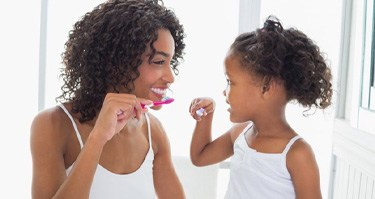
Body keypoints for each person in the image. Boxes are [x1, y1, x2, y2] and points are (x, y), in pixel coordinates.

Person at [30, 0, 186, 198]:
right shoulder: (53, 125)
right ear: (118, 62)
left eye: (170, 62)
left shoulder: (153, 131)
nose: (171, 77)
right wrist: (98, 137)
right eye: (158, 62)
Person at [189, 16, 332, 199]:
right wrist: (205, 117)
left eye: (230, 82)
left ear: (266, 88)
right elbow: (200, 157)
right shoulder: (240, 133)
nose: (224, 92)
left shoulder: (297, 154)